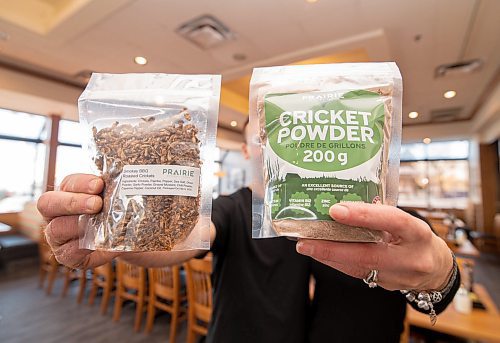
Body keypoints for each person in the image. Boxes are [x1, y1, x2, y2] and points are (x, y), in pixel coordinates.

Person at [38, 121, 459, 342]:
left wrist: (442, 274)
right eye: (268, 132)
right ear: (247, 149)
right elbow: (190, 236)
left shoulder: (379, 213)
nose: (284, 144)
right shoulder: (234, 209)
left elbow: (430, 294)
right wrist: (120, 233)